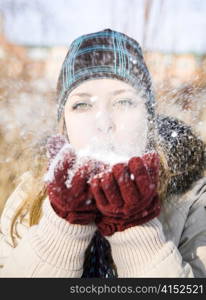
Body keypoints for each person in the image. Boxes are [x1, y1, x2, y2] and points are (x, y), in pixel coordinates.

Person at [0, 28, 206, 278]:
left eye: (123, 102)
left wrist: (136, 230)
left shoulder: (193, 200)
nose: (104, 122)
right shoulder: (27, 199)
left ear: (148, 122)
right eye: (82, 104)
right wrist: (62, 226)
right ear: (64, 126)